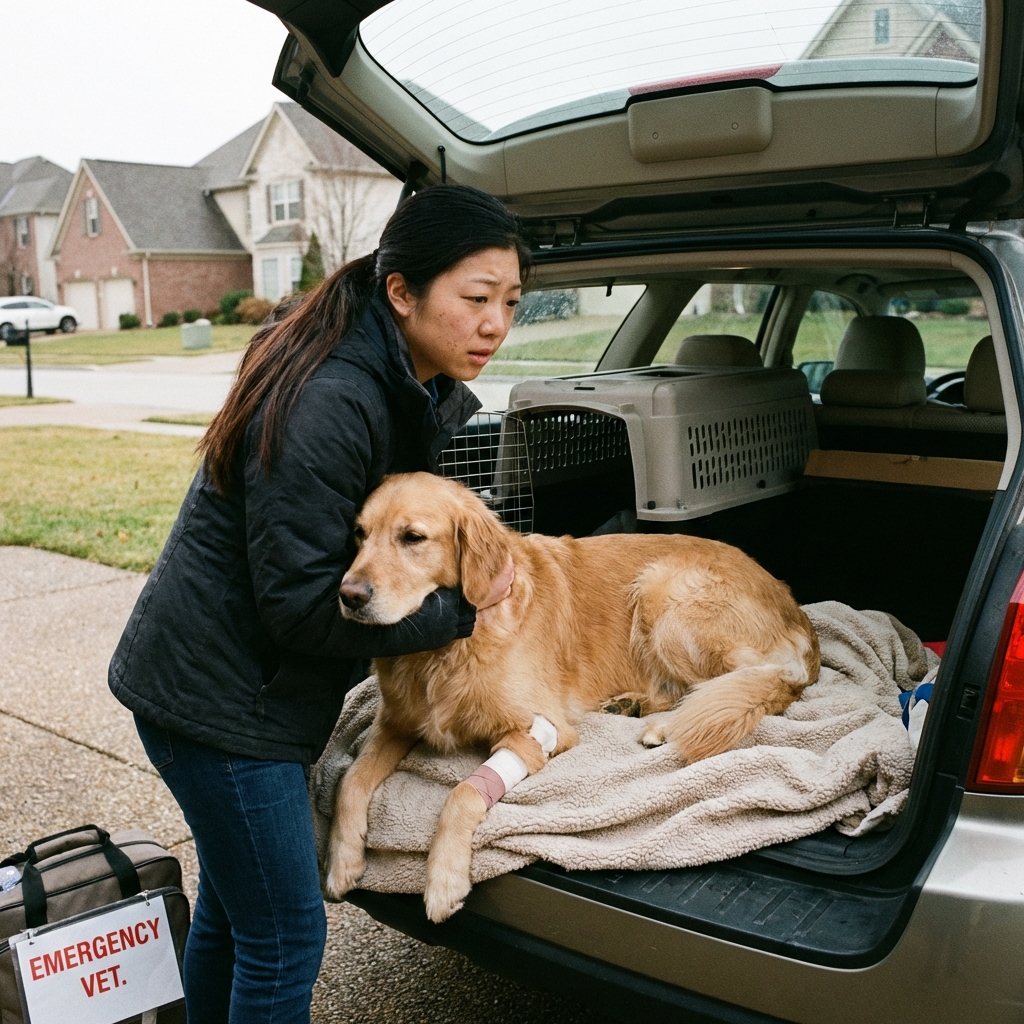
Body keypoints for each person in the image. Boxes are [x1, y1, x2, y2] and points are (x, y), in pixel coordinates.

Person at [108, 185, 531, 1024]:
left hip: (225, 686)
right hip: (222, 705)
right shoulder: (333, 399)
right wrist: (463, 614)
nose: (495, 324)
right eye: (476, 299)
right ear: (402, 292)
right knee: (287, 936)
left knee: (234, 914)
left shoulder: (395, 374)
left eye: (512, 303)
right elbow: (302, 610)